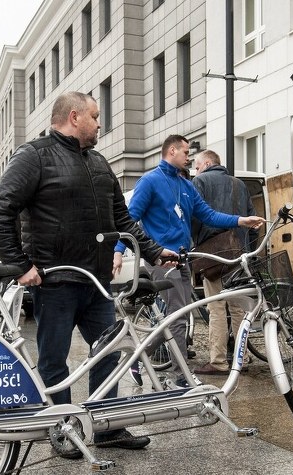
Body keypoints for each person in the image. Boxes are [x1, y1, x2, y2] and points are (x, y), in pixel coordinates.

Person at [0, 91, 177, 453]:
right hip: (55, 281)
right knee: (55, 361)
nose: (100, 123)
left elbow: (123, 220)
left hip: (97, 283)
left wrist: (154, 251)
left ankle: (106, 428)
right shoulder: (34, 156)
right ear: (74, 117)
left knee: (109, 352)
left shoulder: (100, 163)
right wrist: (20, 265)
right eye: (95, 116)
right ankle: (63, 430)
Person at [113, 135, 264, 387]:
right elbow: (129, 219)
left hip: (183, 259)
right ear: (171, 151)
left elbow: (208, 215)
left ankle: (137, 359)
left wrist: (241, 220)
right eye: (185, 152)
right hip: (161, 259)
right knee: (178, 317)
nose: (189, 158)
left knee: (177, 316)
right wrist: (118, 250)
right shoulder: (149, 181)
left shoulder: (186, 185)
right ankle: (181, 375)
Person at [190, 150, 259, 375]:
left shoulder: (199, 182)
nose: (196, 170)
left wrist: (194, 244)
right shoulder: (240, 185)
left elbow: (194, 217)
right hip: (240, 255)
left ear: (208, 163)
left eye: (197, 166)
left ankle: (218, 361)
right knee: (238, 308)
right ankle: (243, 358)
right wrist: (250, 252)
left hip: (214, 256)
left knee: (216, 308)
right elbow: (252, 219)